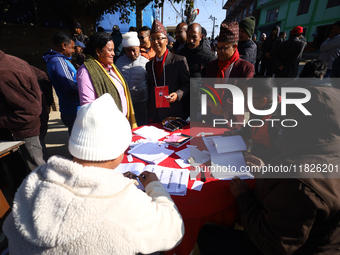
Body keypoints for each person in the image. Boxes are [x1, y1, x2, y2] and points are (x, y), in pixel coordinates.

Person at [3, 93, 184, 255]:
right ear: (120, 150)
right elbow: (174, 230)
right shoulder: (125, 200)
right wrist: (154, 186)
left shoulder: (35, 181)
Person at [198, 85, 340, 255]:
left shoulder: (298, 180)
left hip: (288, 247)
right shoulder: (322, 153)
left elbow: (272, 243)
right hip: (319, 240)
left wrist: (243, 197)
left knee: (206, 234)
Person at [76, 32, 137, 128]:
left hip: (121, 122)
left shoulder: (111, 67)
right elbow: (87, 106)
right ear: (98, 51)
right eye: (110, 50)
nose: (113, 53)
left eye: (113, 50)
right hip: (106, 127)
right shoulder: (86, 72)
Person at [0, 50, 45, 171]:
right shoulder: (12, 60)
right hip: (24, 123)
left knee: (36, 167)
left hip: (26, 127)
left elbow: (29, 111)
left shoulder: (4, 74)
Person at [205, 21, 254, 129]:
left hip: (232, 119)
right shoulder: (213, 65)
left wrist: (222, 107)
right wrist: (209, 102)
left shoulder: (246, 68)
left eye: (224, 48)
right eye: (218, 48)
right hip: (211, 115)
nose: (220, 52)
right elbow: (205, 88)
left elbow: (243, 96)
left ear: (235, 46)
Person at [146, 19, 190, 123]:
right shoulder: (149, 65)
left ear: (166, 41)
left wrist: (177, 94)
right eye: (152, 38)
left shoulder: (179, 60)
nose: (155, 42)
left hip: (173, 112)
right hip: (155, 113)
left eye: (159, 38)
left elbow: (187, 84)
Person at [43, 31, 80, 134]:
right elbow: (70, 88)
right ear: (64, 45)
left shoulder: (57, 60)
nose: (73, 51)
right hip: (74, 110)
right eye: (72, 48)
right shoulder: (59, 61)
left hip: (71, 109)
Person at [116, 32, 149, 126]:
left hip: (141, 103)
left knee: (141, 127)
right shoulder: (119, 62)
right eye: (127, 50)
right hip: (124, 104)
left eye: (134, 50)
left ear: (139, 47)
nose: (131, 53)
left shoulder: (146, 63)